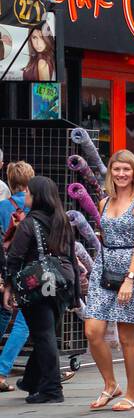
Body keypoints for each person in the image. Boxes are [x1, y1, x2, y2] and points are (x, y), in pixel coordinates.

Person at [83, 150, 134, 412]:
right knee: (93, 330)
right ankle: (110, 384)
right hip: (105, 267)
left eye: (126, 169)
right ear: (110, 172)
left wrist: (130, 279)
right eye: (116, 169)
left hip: (132, 270)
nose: (121, 174)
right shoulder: (103, 203)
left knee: (126, 338)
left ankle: (132, 394)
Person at [1, 176, 75, 403]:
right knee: (47, 332)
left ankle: (52, 390)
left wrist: (8, 286)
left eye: (29, 194)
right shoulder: (62, 220)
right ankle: (32, 380)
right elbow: (71, 254)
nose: (27, 197)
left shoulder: (29, 223)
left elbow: (14, 257)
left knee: (43, 335)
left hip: (38, 284)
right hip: (62, 282)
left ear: (37, 197)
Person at [0, 160, 34, 393]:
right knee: (23, 323)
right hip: (29, 270)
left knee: (3, 316)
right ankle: (1, 371)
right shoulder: (36, 207)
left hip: (5, 268)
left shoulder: (2, 207)